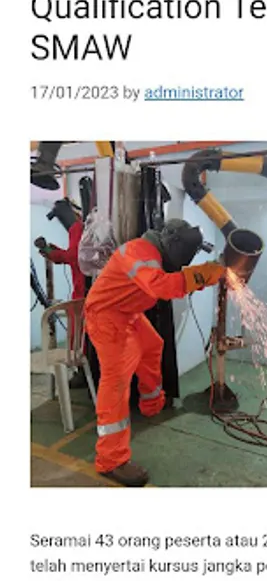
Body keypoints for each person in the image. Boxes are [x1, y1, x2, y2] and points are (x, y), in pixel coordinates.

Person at [84, 219, 226, 487]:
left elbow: (173, 279)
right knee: (116, 383)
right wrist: (207, 274)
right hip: (106, 317)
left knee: (153, 345)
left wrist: (211, 271)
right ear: (172, 244)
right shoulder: (138, 252)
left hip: (128, 313)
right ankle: (111, 460)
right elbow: (160, 287)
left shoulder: (158, 253)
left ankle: (151, 403)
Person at [36, 198, 87, 388]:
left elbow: (73, 256)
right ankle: (86, 371)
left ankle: (82, 372)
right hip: (90, 288)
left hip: (83, 290)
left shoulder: (77, 228)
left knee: (78, 334)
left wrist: (49, 251)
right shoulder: (87, 226)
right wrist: (49, 250)